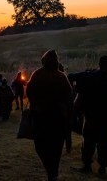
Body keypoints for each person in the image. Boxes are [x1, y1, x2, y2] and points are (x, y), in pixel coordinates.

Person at [26, 50, 73, 181]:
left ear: (44, 60)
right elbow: (69, 98)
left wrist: (35, 105)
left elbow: (29, 93)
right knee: (56, 147)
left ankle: (51, 173)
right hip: (58, 118)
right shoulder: (62, 77)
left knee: (40, 146)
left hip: (41, 118)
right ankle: (53, 173)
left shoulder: (37, 75)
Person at [69, 55, 107, 175]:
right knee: (105, 143)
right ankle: (102, 167)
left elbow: (70, 76)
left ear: (99, 64)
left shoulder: (89, 76)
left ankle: (87, 165)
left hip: (91, 115)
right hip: (106, 116)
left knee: (88, 141)